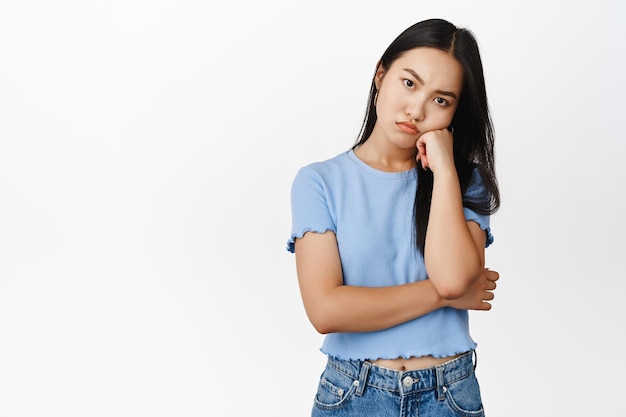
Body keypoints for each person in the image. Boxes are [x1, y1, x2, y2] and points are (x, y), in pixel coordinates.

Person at [286, 18, 501, 417]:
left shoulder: (464, 182)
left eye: (441, 100)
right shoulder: (319, 182)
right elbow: (326, 311)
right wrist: (442, 296)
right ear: (380, 75)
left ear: (455, 112)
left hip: (448, 393)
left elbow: (454, 276)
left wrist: (446, 171)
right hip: (353, 392)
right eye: (409, 83)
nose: (416, 109)